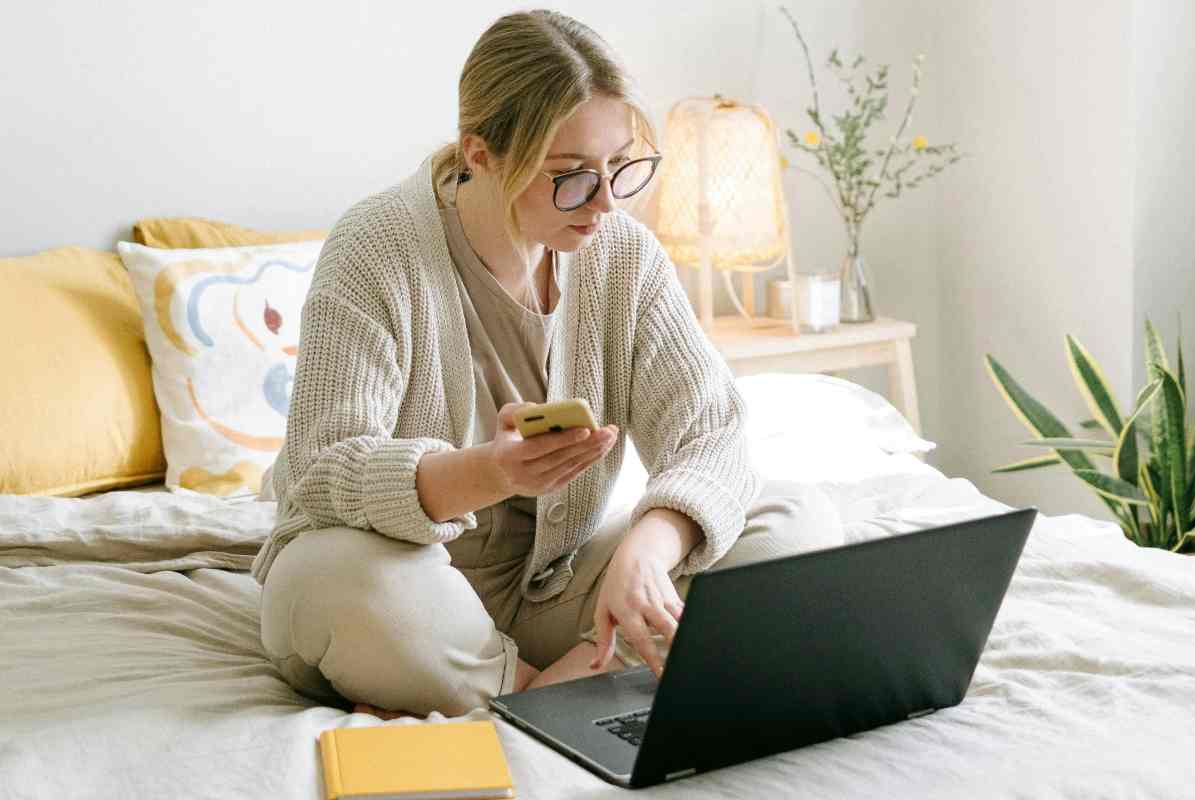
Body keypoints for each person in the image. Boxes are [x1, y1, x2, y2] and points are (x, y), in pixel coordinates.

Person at [252, 8, 841, 719]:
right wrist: (489, 473)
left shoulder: (621, 253)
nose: (603, 204)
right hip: (409, 590)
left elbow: (711, 435)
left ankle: (545, 693)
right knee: (327, 578)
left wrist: (649, 550)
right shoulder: (375, 248)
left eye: (621, 167)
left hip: (555, 593)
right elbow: (323, 467)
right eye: (569, 176)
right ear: (481, 155)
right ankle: (574, 686)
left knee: (793, 518)